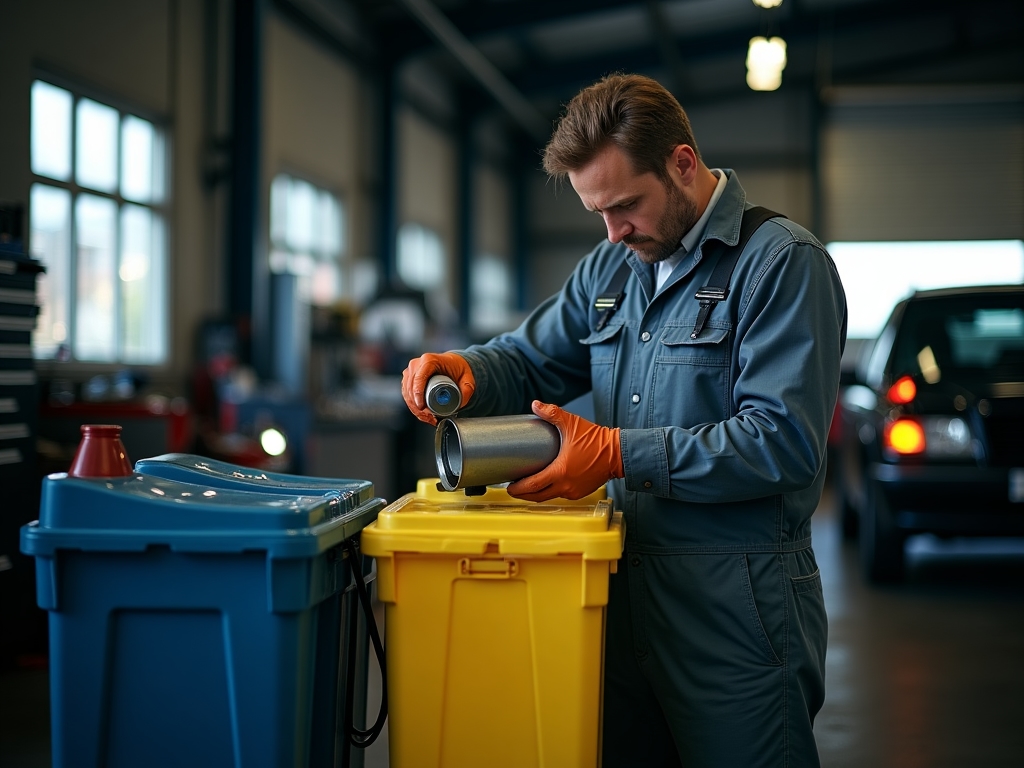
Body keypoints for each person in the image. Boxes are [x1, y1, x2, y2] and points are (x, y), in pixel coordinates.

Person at [401, 73, 847, 767]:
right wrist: (470, 370)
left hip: (738, 618)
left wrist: (614, 455)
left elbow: (782, 443)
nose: (612, 232)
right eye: (597, 213)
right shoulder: (613, 269)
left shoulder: (781, 265)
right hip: (620, 606)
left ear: (682, 164)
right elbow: (528, 358)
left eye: (626, 206)